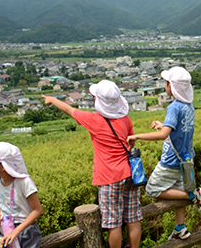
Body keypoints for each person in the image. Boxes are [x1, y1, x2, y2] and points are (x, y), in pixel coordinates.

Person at [43, 80, 142, 248]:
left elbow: (69, 109)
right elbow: (130, 142)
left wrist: (52, 99)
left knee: (113, 223)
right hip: (130, 174)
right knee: (133, 218)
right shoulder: (125, 118)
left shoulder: (93, 119)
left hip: (109, 177)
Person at [127, 67, 201, 241]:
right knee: (177, 188)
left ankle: (193, 194)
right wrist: (163, 124)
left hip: (170, 161)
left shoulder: (174, 107)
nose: (165, 85)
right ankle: (180, 228)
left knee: (152, 189)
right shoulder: (189, 106)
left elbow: (163, 135)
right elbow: (178, 131)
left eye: (166, 83)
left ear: (172, 87)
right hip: (185, 159)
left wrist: (137, 136)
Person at [0, 142, 42, 248]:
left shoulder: (24, 182)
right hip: (5, 229)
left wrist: (16, 231)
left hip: (26, 231)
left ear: (3, 166)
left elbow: (37, 210)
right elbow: (0, 207)